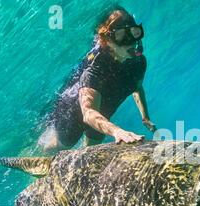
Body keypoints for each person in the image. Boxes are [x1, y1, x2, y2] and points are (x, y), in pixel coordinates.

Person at [38, 6, 156, 155]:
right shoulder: (95, 68)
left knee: (91, 153)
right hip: (76, 110)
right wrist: (117, 131)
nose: (130, 41)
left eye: (134, 32)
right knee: (57, 148)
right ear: (107, 41)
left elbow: (137, 88)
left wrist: (145, 117)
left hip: (104, 113)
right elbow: (87, 113)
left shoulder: (139, 62)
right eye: (120, 35)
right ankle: (34, 156)